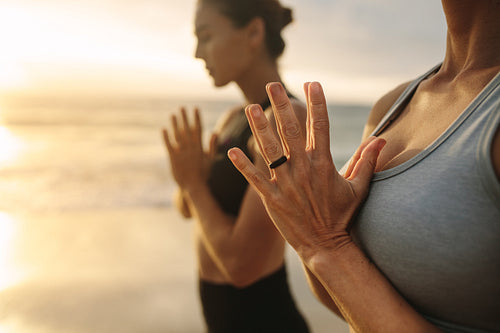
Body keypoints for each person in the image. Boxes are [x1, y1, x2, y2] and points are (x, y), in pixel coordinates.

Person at [228, 0, 500, 332]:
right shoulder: (392, 105)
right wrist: (316, 227)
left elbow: (314, 254)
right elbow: (340, 300)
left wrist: (325, 244)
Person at [162, 0, 310, 332]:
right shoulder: (233, 119)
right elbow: (188, 208)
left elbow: (241, 266)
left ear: (254, 32)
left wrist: (194, 185)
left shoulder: (285, 121)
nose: (198, 53)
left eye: (206, 35)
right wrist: (189, 183)